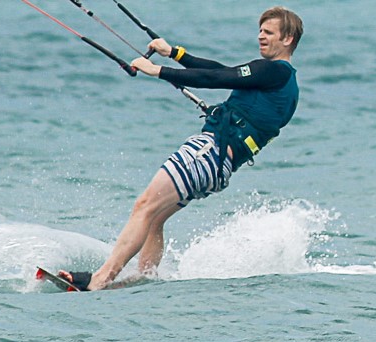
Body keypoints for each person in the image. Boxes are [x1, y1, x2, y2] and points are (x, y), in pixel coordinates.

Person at [54, 6, 304, 291]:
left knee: (144, 206)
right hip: (218, 168)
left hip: (208, 153)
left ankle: (102, 277)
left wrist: (158, 70)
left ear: (287, 39)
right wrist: (174, 53)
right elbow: (222, 71)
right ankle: (145, 275)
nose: (261, 37)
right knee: (155, 218)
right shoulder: (285, 83)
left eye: (268, 32)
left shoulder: (274, 71)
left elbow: (217, 79)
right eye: (260, 31)